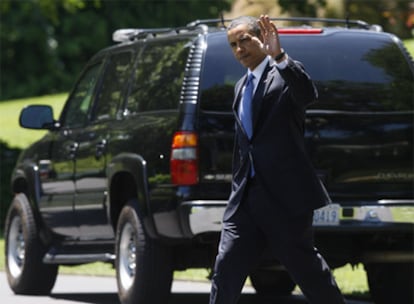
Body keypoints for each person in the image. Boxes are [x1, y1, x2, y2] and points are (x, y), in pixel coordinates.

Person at [209, 15, 346, 304]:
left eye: (244, 40)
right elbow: (245, 145)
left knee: (307, 271)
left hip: (285, 199)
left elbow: (307, 93)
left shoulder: (283, 76)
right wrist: (237, 189)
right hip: (245, 198)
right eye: (233, 44)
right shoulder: (240, 87)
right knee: (226, 268)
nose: (239, 49)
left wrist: (280, 57)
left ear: (262, 37)